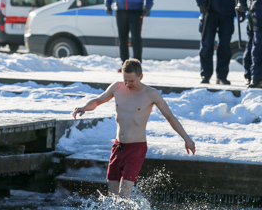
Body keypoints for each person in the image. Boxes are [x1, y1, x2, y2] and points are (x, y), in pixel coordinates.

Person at [72, 59, 196, 198]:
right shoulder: (117, 88)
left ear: (141, 77)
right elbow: (97, 101)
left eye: (132, 81)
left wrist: (187, 139)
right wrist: (84, 108)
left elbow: (170, 117)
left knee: (124, 194)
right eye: (125, 80)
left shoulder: (151, 94)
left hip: (136, 147)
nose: (127, 84)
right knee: (112, 195)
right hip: (118, 146)